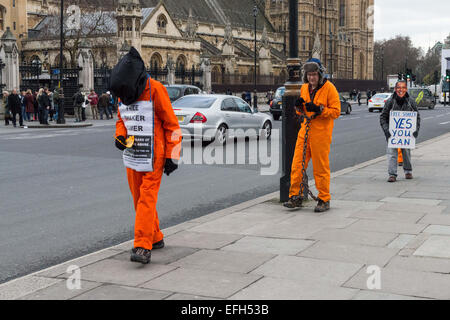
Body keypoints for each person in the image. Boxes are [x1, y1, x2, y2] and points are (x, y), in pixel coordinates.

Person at [111, 47, 182, 264]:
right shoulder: (124, 92)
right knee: (139, 199)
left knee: (146, 198)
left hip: (154, 155)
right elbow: (122, 120)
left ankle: (142, 245)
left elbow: (173, 125)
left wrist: (173, 155)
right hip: (133, 155)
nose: (123, 98)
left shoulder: (156, 90)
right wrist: (120, 136)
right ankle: (156, 236)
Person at [283, 58, 341, 212]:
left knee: (320, 167)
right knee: (297, 164)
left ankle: (324, 198)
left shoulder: (329, 88)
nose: (311, 78)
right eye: (309, 75)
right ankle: (295, 196)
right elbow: (301, 112)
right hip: (305, 130)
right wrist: (299, 108)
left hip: (321, 133)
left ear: (320, 74)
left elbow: (336, 112)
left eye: (314, 75)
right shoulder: (304, 88)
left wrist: (320, 110)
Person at [380, 80, 420, 182]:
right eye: (398, 88)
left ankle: (408, 171)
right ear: (395, 89)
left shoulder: (411, 101)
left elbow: (417, 117)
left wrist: (416, 130)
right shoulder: (390, 101)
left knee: (406, 152)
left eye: (403, 88)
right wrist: (386, 131)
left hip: (406, 134)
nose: (400, 90)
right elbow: (383, 117)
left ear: (406, 89)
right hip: (392, 133)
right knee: (392, 153)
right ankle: (392, 174)